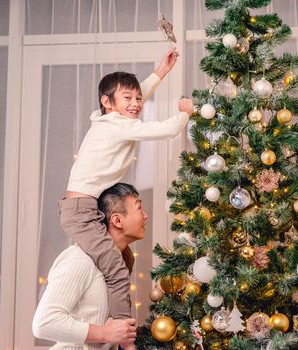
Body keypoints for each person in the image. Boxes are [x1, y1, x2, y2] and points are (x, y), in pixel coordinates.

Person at [58, 48, 193, 349]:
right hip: (81, 211)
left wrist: (161, 71)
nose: (135, 104)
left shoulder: (107, 118)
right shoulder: (118, 124)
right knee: (117, 269)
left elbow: (137, 93)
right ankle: (124, 340)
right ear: (107, 103)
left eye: (137, 99)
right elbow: (167, 129)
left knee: (125, 257)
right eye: (126, 99)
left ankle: (109, 311)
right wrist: (184, 111)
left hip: (89, 207)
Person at [33, 183, 148, 349]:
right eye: (139, 209)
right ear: (117, 220)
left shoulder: (119, 265)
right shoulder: (80, 259)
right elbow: (44, 322)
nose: (145, 216)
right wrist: (104, 333)